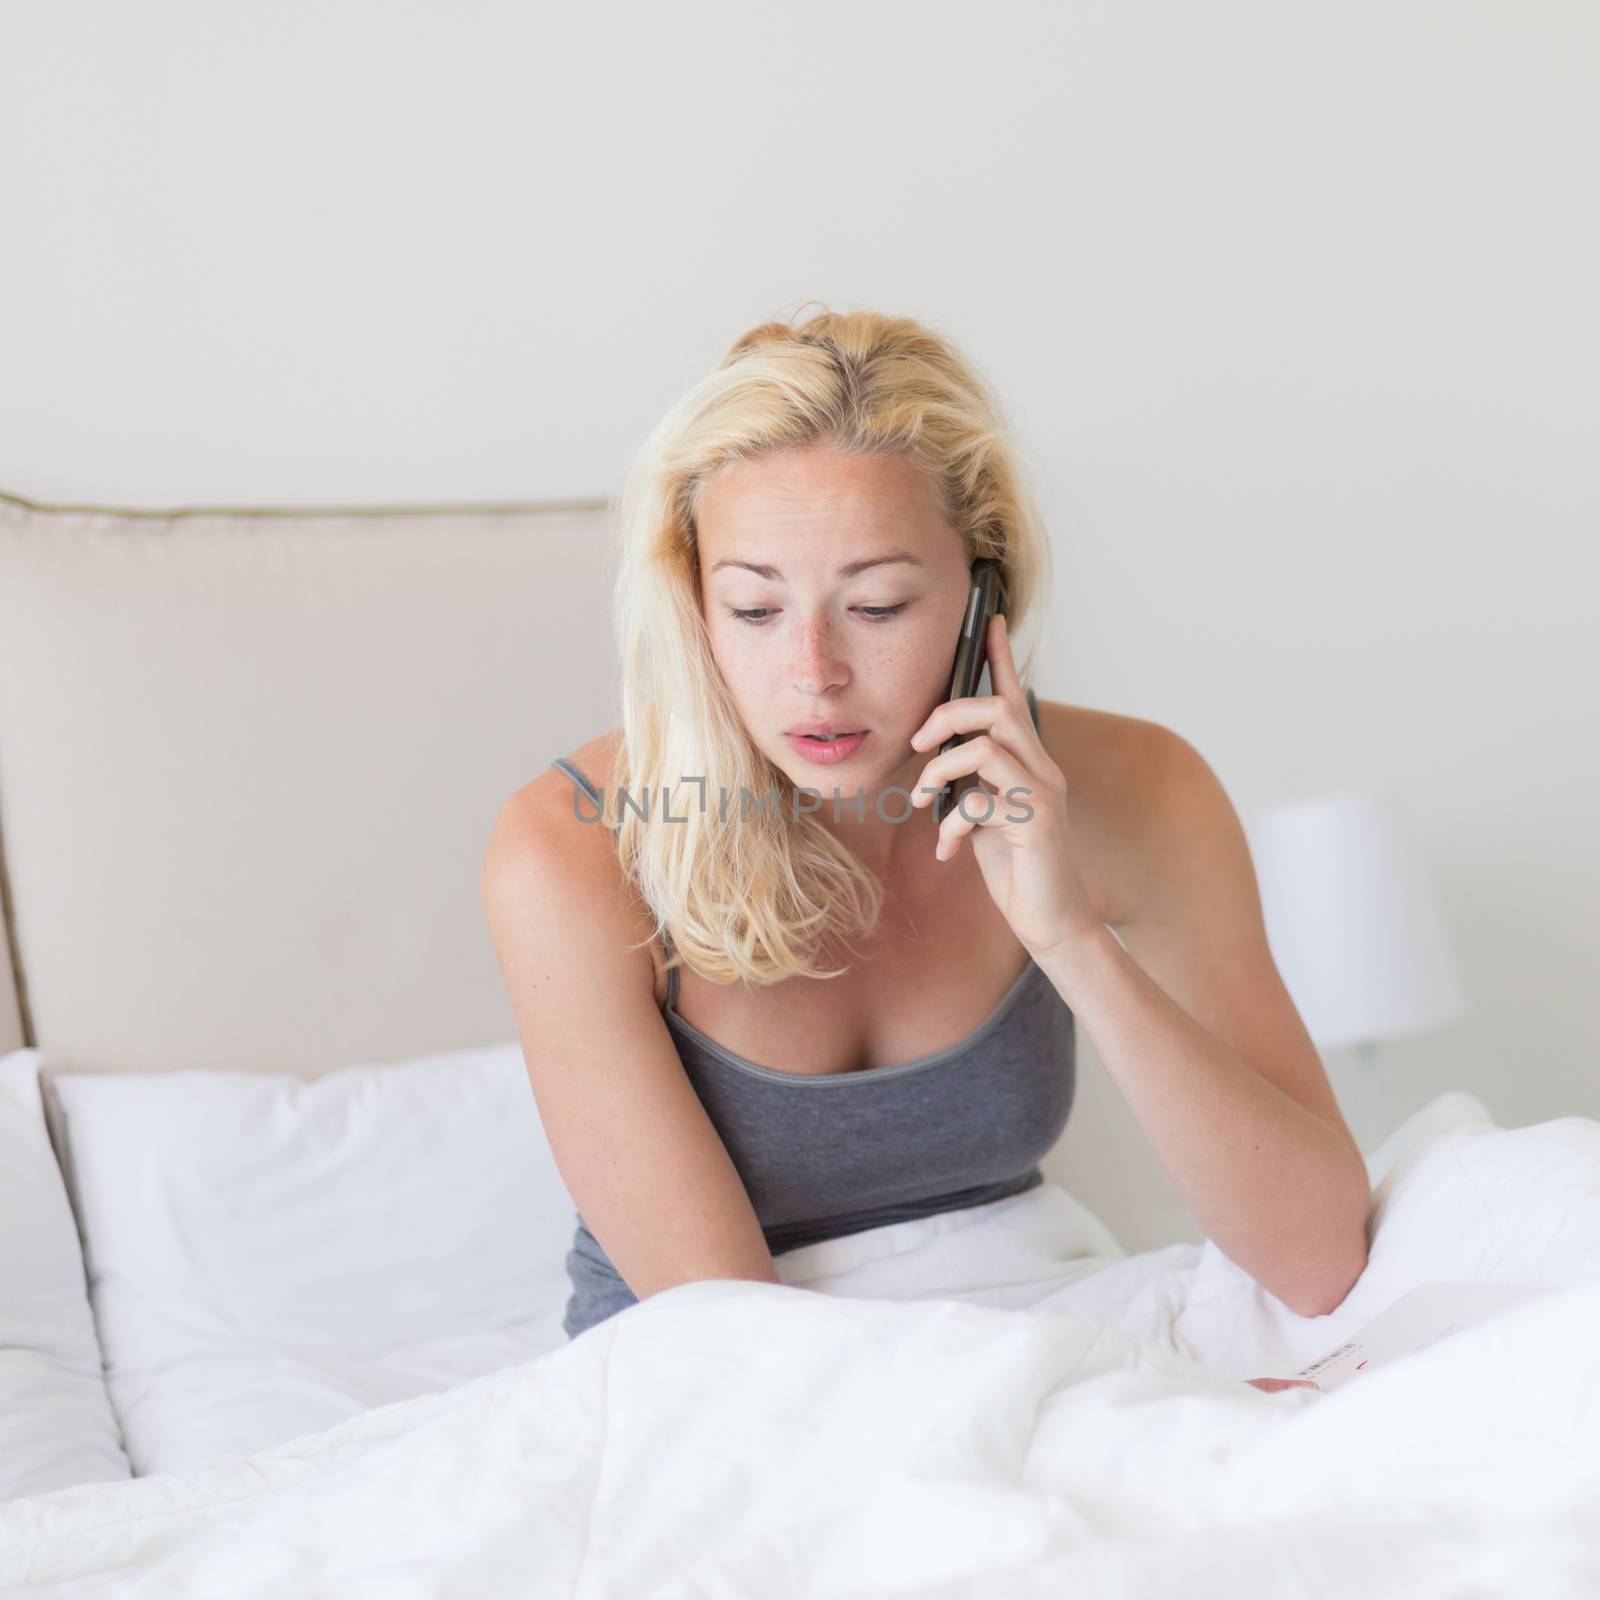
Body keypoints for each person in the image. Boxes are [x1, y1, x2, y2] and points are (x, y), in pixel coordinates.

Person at [481, 307, 1369, 1377]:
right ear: (692, 606)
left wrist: (1068, 935)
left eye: (879, 603)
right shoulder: (570, 850)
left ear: (978, 587)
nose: (813, 672)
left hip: (1024, 1316)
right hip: (713, 1388)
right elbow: (733, 1348)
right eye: (755, 610)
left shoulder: (1142, 791)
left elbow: (1319, 1259)